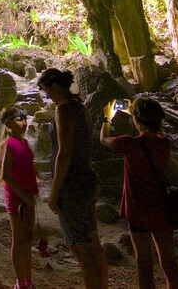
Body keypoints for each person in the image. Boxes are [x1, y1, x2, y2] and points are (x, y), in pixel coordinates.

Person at [99, 97, 178, 289]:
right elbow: (152, 129)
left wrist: (107, 118)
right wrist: (137, 112)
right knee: (169, 263)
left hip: (138, 211)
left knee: (144, 263)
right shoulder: (164, 144)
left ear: (137, 121)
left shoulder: (129, 144)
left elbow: (104, 139)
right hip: (162, 210)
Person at [39, 68, 108, 289]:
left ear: (56, 87)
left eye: (46, 91)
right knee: (93, 243)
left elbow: (64, 152)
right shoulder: (80, 107)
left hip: (73, 185)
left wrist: (55, 191)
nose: (47, 96)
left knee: (82, 250)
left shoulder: (64, 110)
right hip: (87, 179)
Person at [0, 106, 41, 289]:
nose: (24, 124)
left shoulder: (24, 143)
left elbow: (28, 164)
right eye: (18, 120)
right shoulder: (9, 144)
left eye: (24, 119)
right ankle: (19, 281)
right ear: (8, 123)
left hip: (28, 195)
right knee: (19, 238)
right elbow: (5, 175)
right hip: (17, 197)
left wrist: (36, 181)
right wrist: (23, 195)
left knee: (28, 238)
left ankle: (28, 280)